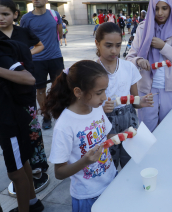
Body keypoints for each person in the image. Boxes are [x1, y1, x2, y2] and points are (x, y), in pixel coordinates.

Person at [43, 60, 117, 212]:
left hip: (111, 181)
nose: (104, 97)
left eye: (105, 90)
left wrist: (124, 136)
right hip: (88, 196)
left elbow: (108, 135)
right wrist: (85, 161)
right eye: (99, 92)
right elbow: (59, 172)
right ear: (78, 92)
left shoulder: (96, 108)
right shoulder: (65, 126)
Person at [126, 0, 172, 132]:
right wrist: (138, 61)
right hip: (146, 91)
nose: (160, 13)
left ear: (171, 8)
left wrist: (164, 47)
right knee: (147, 132)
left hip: (171, 90)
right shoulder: (143, 28)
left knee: (168, 132)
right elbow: (129, 58)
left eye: (164, 8)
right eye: (156, 8)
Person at [95, 23, 154, 168]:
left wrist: (142, 102)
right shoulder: (92, 71)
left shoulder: (129, 67)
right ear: (97, 43)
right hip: (106, 123)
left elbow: (134, 100)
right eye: (108, 45)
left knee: (131, 162)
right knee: (109, 164)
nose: (114, 50)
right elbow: (88, 107)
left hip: (130, 120)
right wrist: (101, 109)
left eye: (118, 45)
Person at [0, 40, 45, 212]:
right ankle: (33, 202)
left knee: (15, 173)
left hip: (9, 123)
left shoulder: (3, 56)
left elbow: (28, 78)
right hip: (8, 120)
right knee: (22, 161)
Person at [20, 0, 64, 130]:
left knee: (59, 87)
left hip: (55, 57)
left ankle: (59, 112)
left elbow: (60, 32)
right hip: (36, 60)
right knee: (40, 90)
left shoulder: (54, 14)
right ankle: (46, 116)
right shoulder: (26, 18)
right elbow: (23, 39)